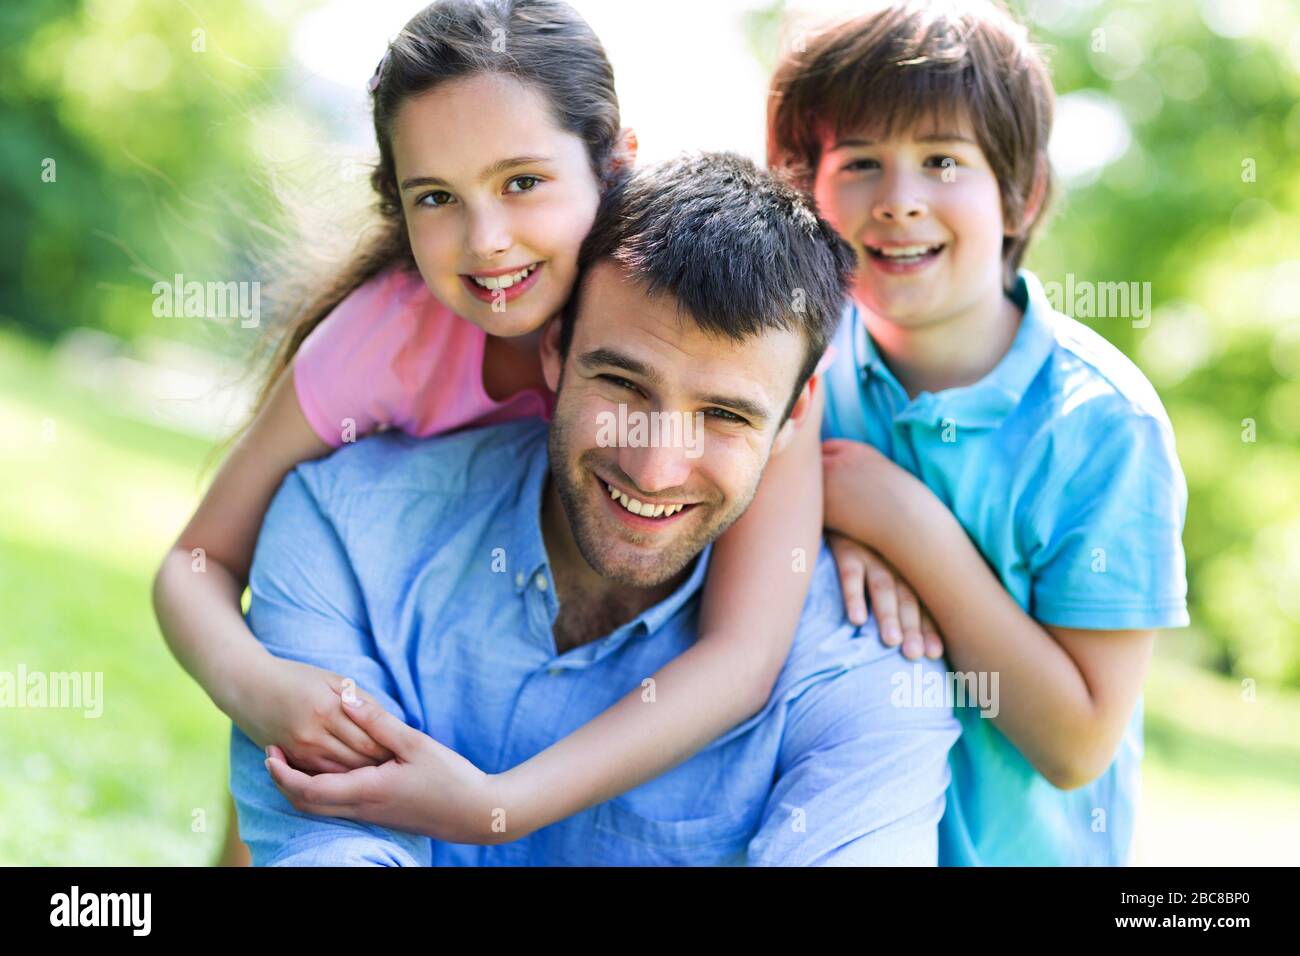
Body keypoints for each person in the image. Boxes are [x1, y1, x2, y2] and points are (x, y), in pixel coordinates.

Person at [152, 0, 835, 865]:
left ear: (616, 162)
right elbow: (195, 562)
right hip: (386, 620)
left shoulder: (713, 325)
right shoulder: (384, 340)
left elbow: (744, 653)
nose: (487, 241)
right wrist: (257, 686)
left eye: (522, 182)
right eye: (436, 196)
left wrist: (497, 808)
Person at [236, 152, 960, 865]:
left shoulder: (861, 675)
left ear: (796, 414)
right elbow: (328, 844)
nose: (654, 467)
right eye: (621, 383)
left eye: (724, 416)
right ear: (554, 350)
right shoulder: (344, 529)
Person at [768, 0, 1189, 865]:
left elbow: (1076, 743)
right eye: (860, 162)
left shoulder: (1102, 426)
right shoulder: (794, 362)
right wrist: (826, 525)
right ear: (806, 187)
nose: (898, 200)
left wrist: (902, 527)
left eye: (940, 160)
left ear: (1021, 193)